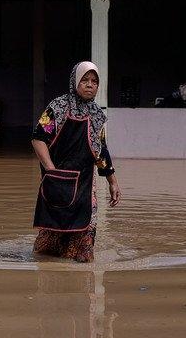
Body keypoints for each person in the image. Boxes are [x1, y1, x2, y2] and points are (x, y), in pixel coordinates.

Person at [31, 61, 120, 262]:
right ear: (75, 82)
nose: (90, 85)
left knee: (85, 246)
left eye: (94, 81)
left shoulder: (97, 115)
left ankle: (84, 285)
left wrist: (113, 182)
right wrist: (51, 171)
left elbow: (101, 152)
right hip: (56, 183)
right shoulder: (57, 107)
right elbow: (38, 139)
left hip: (85, 188)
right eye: (85, 80)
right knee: (48, 248)